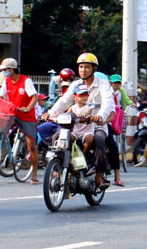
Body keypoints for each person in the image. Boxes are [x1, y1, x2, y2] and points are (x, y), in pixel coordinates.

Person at [44, 53, 115, 190]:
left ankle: (99, 175)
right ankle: (57, 166)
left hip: (96, 125)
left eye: (87, 67)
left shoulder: (103, 84)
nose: (83, 70)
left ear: (94, 68)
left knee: (99, 140)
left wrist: (99, 116)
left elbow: (107, 102)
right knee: (57, 137)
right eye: (81, 67)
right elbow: (65, 101)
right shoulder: (76, 84)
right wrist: (50, 113)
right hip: (76, 125)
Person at [0, 58, 42, 185]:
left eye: (5, 70)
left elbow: (34, 97)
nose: (4, 72)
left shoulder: (25, 81)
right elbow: (1, 96)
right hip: (12, 113)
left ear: (11, 70)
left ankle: (34, 175)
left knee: (31, 146)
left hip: (27, 115)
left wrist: (28, 108)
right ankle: (2, 148)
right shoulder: (6, 81)